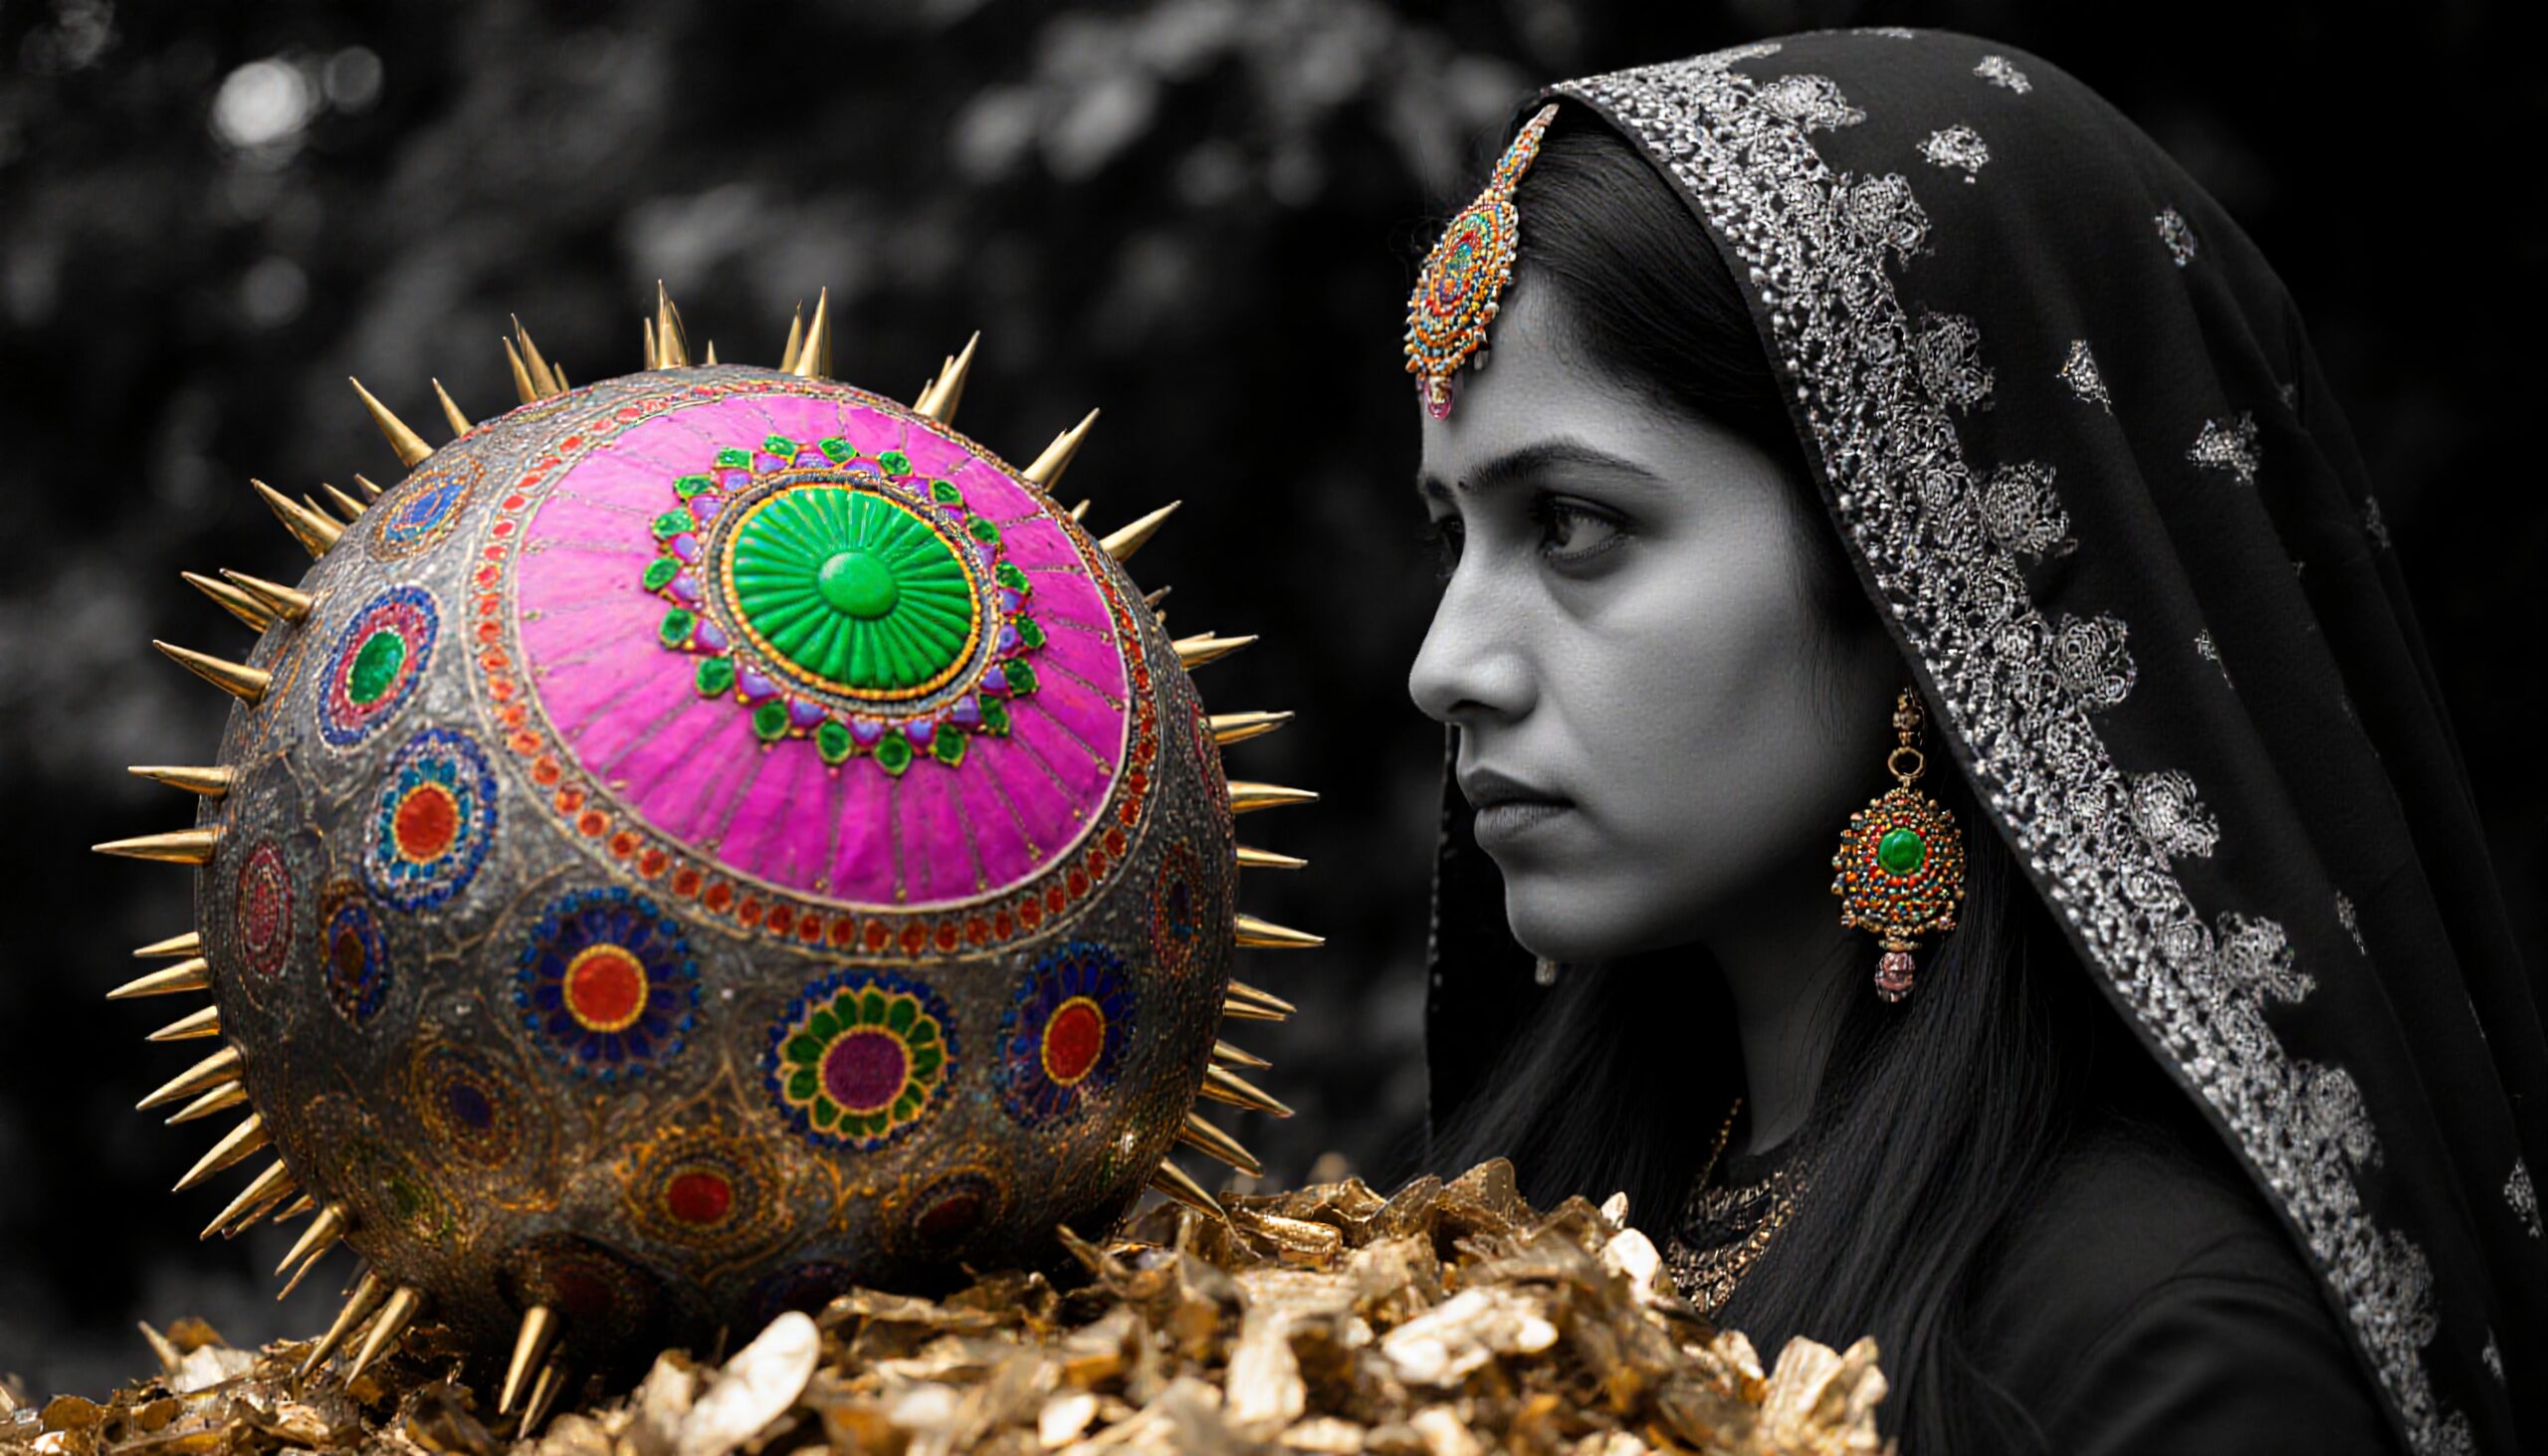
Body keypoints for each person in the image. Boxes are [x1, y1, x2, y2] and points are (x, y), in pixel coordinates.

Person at [1397, 30, 2544, 1456]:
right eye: (1455, 538)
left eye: (1572, 524)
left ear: (1917, 579)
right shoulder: (1541, 1214)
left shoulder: (2157, 1359)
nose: (1446, 667)